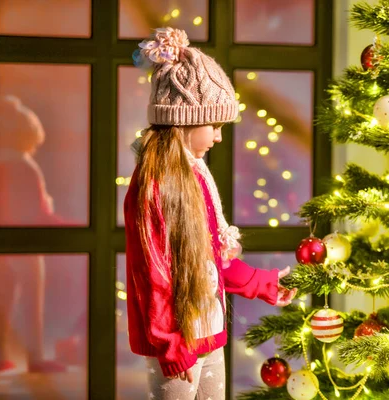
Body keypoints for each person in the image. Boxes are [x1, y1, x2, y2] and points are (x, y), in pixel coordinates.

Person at [124, 27, 298, 400]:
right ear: (184, 121)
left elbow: (211, 259)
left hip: (208, 334)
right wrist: (170, 343)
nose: (219, 137)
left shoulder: (197, 176)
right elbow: (151, 271)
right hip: (177, 343)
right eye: (214, 126)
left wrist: (261, 283)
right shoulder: (156, 184)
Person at [0, 95, 66, 374]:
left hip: (5, 241)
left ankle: (0, 353)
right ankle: (35, 357)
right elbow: (35, 209)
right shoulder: (23, 165)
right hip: (28, 241)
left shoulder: (2, 161)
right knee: (31, 302)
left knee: (3, 301)